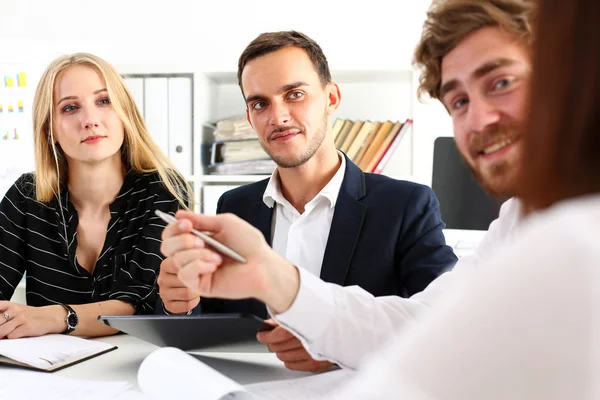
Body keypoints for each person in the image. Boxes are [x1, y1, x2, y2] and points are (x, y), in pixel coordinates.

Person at [163, 0, 600, 394]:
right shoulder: (519, 221)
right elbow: (424, 325)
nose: (479, 119)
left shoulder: (416, 205)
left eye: (501, 82)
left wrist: (326, 343)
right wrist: (265, 277)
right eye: (459, 101)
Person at [156, 30, 458, 371]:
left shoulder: (406, 205)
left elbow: (448, 325)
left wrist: (341, 348)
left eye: (294, 94)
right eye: (260, 103)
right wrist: (182, 303)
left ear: (331, 98)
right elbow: (215, 323)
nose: (278, 116)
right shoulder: (235, 206)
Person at [0, 53, 190, 339]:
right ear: (50, 129)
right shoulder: (26, 196)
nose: (90, 120)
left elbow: (139, 304)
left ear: (124, 114)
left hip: (135, 368)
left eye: (104, 101)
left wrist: (54, 316)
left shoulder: (163, 189)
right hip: (47, 374)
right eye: (70, 108)